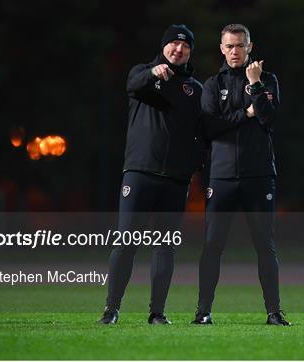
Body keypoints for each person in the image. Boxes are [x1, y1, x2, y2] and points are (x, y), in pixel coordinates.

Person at [99, 24, 202, 325]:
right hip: (140, 172)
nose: (178, 49)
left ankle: (157, 312)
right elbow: (133, 84)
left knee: (165, 246)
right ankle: (111, 308)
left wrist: (196, 163)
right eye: (173, 44)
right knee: (126, 241)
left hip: (175, 179)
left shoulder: (195, 88)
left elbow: (201, 130)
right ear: (164, 46)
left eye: (184, 46)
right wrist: (153, 74)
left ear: (190, 52)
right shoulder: (143, 73)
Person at [192, 24, 289, 325]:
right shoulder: (212, 84)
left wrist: (256, 85)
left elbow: (269, 118)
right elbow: (210, 127)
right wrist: (245, 115)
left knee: (265, 245)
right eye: (229, 46)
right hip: (221, 177)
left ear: (250, 47)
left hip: (259, 175)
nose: (235, 51)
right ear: (221, 48)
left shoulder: (267, 80)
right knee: (212, 244)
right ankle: (203, 312)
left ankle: (274, 312)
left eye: (240, 46)